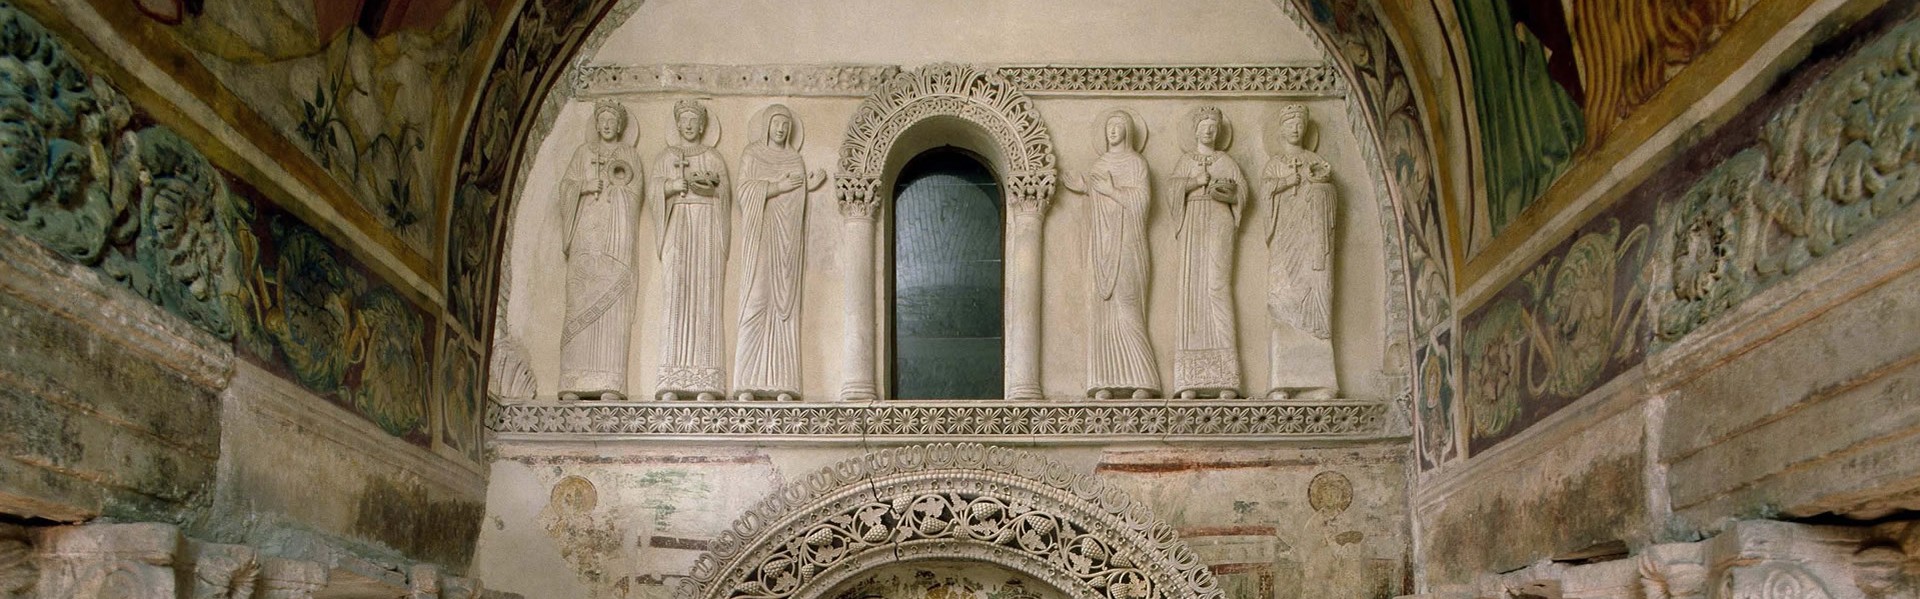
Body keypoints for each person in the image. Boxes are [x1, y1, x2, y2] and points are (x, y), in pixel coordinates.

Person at [732, 104, 824, 401]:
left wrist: (805, 187)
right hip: (760, 236)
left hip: (786, 243)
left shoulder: (794, 159)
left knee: (785, 307)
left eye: (786, 124)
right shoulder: (752, 154)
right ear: (767, 126)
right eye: (776, 123)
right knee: (756, 299)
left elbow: (797, 199)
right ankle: (746, 382)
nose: (782, 129)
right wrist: (777, 186)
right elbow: (744, 192)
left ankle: (784, 383)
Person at [556, 100, 642, 402]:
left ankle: (610, 382)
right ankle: (572, 380)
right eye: (602, 119)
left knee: (614, 307)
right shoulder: (583, 153)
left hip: (615, 241)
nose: (606, 124)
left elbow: (636, 194)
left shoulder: (630, 155)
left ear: (620, 126)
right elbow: (565, 188)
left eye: (611, 120)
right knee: (577, 300)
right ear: (596, 124)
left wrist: (618, 190)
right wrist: (583, 185)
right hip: (586, 237)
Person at [1075, 109, 1160, 399]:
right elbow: (1098, 205)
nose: (1112, 130)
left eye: (1118, 125)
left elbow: (1142, 204)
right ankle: (1104, 382)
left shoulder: (1137, 164)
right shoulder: (1099, 164)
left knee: (1128, 305)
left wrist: (1111, 190)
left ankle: (1144, 380)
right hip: (1101, 248)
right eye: (1109, 126)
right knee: (1101, 311)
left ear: (1129, 131)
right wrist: (1087, 189)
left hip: (1129, 245)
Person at [651, 100, 731, 401]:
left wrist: (712, 190)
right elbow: (653, 191)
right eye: (683, 120)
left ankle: (706, 381)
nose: (688, 125)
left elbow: (725, 194)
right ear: (677, 124)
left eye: (693, 120)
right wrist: (671, 186)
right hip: (678, 226)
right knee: (676, 296)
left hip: (706, 229)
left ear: (702, 126)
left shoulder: (713, 157)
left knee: (705, 296)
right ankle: (670, 381)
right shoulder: (666, 157)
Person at [1261, 103, 1340, 399]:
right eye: (1290, 123)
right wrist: (1286, 182)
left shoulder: (1316, 162)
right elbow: (1265, 194)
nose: (1295, 128)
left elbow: (1330, 198)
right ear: (1281, 129)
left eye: (1300, 123)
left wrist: (1321, 186)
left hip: (1312, 244)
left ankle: (1322, 382)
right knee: (1283, 301)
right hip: (1285, 243)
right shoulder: (1274, 165)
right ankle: (1282, 382)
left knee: (1317, 300)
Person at [1169, 106, 1248, 399]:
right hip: (1193, 224)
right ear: (1195, 131)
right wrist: (1194, 183)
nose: (1209, 131)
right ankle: (1189, 380)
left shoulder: (1226, 161)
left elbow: (1243, 193)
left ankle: (1227, 377)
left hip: (1219, 220)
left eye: (1213, 127)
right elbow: (1172, 191)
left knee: (1217, 286)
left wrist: (1229, 193)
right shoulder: (1186, 161)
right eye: (1204, 126)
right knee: (1191, 289)